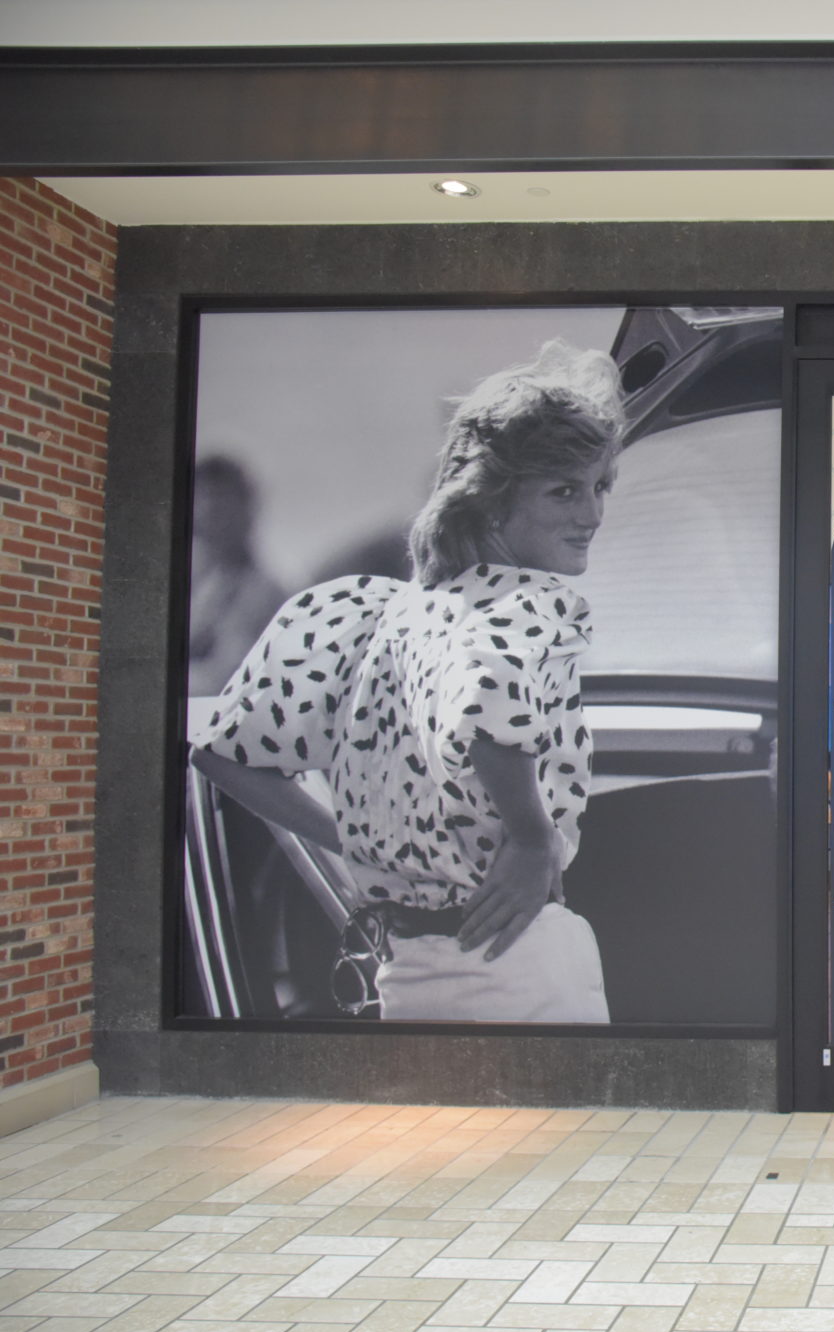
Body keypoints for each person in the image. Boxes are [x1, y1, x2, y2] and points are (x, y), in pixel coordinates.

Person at [189, 341, 623, 1023]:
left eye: (601, 486)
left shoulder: (357, 613)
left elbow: (219, 752)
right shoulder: (529, 603)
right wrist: (532, 834)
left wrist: (352, 837)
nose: (593, 513)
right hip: (521, 959)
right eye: (564, 489)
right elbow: (491, 702)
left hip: (407, 972)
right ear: (490, 502)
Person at [186, 453, 288, 697]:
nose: (210, 523)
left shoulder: (265, 594)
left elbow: (225, 680)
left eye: (221, 511)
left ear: (247, 512)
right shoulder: (196, 584)